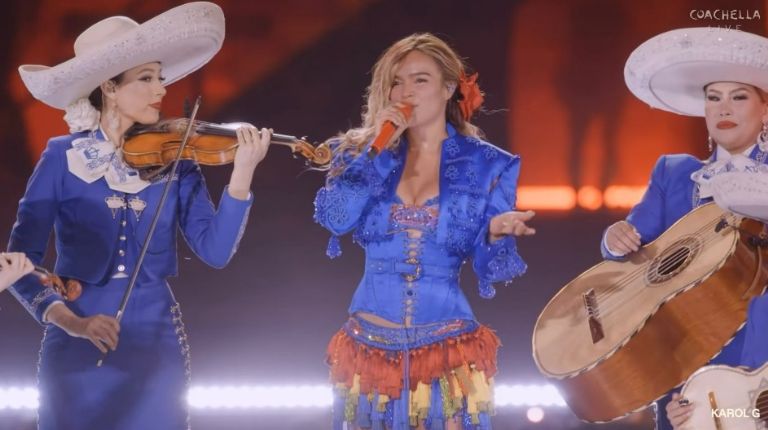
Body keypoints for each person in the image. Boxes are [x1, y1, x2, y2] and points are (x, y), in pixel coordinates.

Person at [8, 3, 270, 429]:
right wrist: (72, 323)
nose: (161, 90)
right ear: (109, 87)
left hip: (155, 347)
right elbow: (21, 263)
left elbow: (216, 251)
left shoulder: (177, 158)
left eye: (160, 78)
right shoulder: (61, 157)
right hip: (74, 347)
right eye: (146, 78)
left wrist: (242, 174)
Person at [314, 33, 535, 430]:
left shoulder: (489, 164)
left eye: (420, 80)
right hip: (368, 350)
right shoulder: (360, 154)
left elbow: (489, 269)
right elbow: (336, 219)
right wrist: (376, 149)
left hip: (448, 352)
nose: (406, 92)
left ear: (448, 88)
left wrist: (493, 235)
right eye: (396, 82)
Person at [604, 27, 768, 430]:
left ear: (765, 110)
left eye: (739, 97)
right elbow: (633, 253)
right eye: (713, 97)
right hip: (691, 360)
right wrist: (613, 238)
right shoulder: (675, 172)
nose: (724, 108)